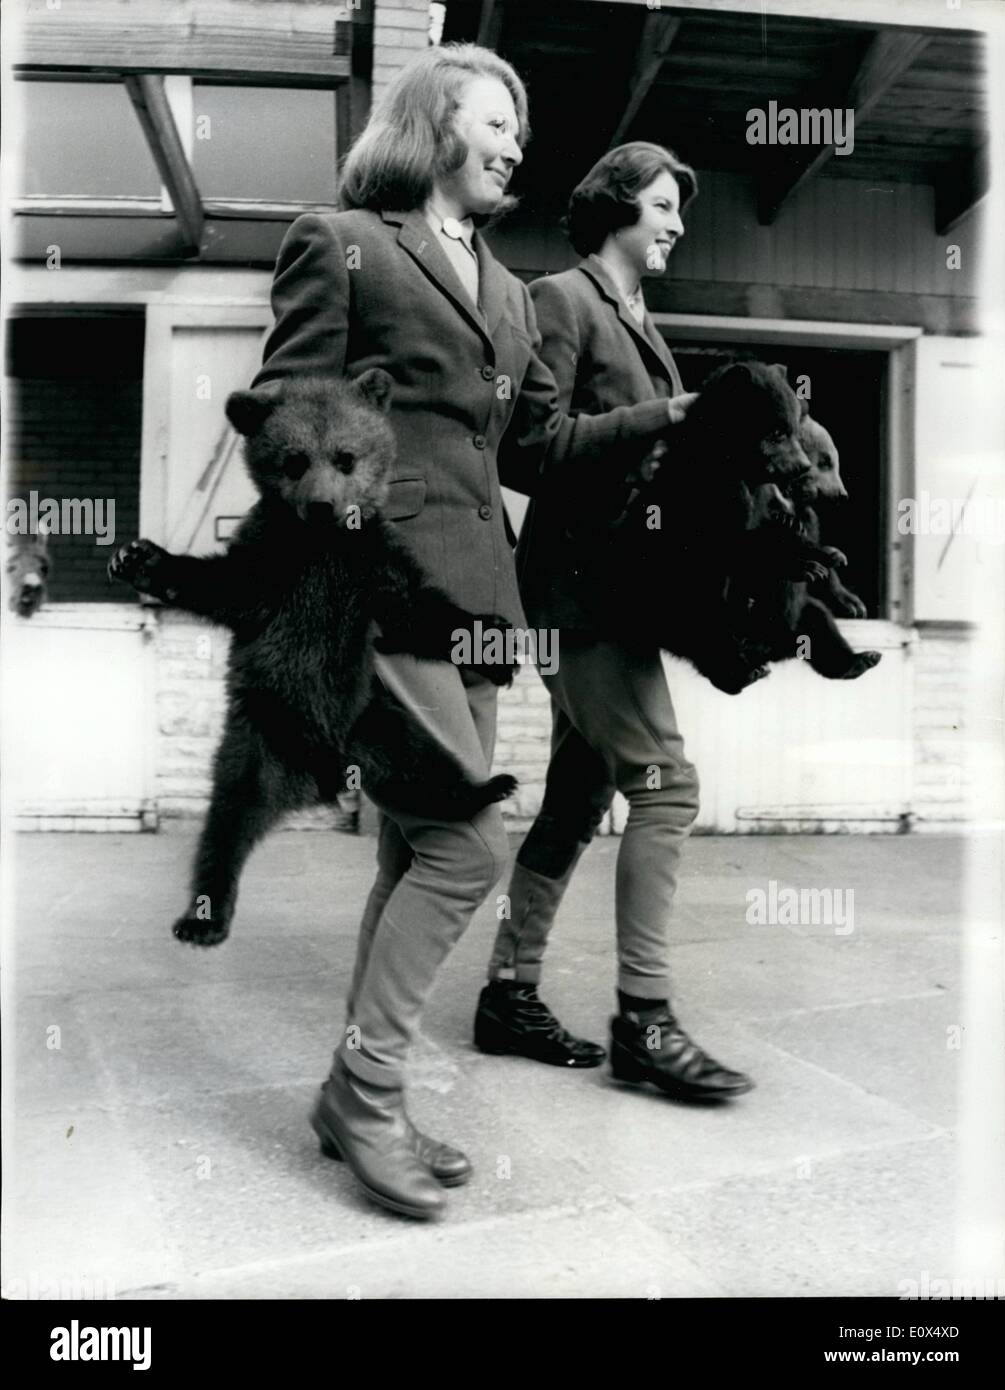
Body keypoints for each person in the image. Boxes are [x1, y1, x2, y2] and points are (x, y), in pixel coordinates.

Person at [251, 51, 693, 1219]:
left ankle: (359, 1101)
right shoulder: (340, 238)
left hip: (482, 601)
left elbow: (528, 455)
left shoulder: (504, 287)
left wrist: (660, 422)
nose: (513, 143)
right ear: (431, 122)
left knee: (411, 854)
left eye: (520, 129)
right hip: (380, 592)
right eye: (494, 121)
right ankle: (367, 1087)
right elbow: (287, 415)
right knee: (465, 846)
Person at [474, 143, 755, 1103]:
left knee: (574, 804)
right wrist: (667, 414)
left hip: (618, 594)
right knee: (668, 787)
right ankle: (645, 1020)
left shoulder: (639, 316)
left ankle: (507, 994)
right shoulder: (561, 299)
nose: (677, 223)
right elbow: (528, 449)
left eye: (678, 208)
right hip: (576, 597)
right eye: (664, 206)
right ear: (612, 209)